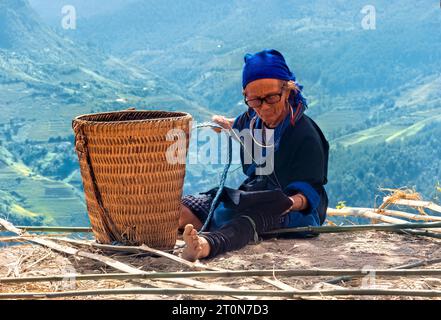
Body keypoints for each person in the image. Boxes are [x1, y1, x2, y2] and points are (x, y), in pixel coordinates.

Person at [179, 49, 329, 261]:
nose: (264, 107)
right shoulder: (252, 118)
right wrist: (226, 124)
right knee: (186, 208)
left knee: (251, 219)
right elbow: (241, 123)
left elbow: (310, 191)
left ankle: (205, 245)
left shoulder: (305, 135)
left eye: (272, 98)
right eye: (255, 100)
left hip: (295, 207)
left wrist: (288, 202)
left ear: (288, 91)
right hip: (255, 193)